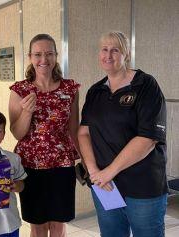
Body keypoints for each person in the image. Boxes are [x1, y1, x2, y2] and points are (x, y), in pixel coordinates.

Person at [78, 31, 168, 237]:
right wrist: (94, 172)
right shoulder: (96, 91)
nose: (108, 55)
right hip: (105, 186)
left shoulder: (145, 85)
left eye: (115, 50)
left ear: (126, 54)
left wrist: (108, 172)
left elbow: (147, 139)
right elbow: (83, 133)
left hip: (143, 187)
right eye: (104, 49)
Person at [9, 33, 80, 237]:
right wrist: (27, 112)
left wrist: (88, 162)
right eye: (38, 54)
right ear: (30, 57)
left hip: (62, 165)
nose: (44, 59)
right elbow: (17, 133)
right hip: (31, 165)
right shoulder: (20, 90)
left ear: (56, 56)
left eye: (49, 53)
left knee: (58, 224)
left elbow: (74, 130)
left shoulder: (70, 88)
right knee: (38, 225)